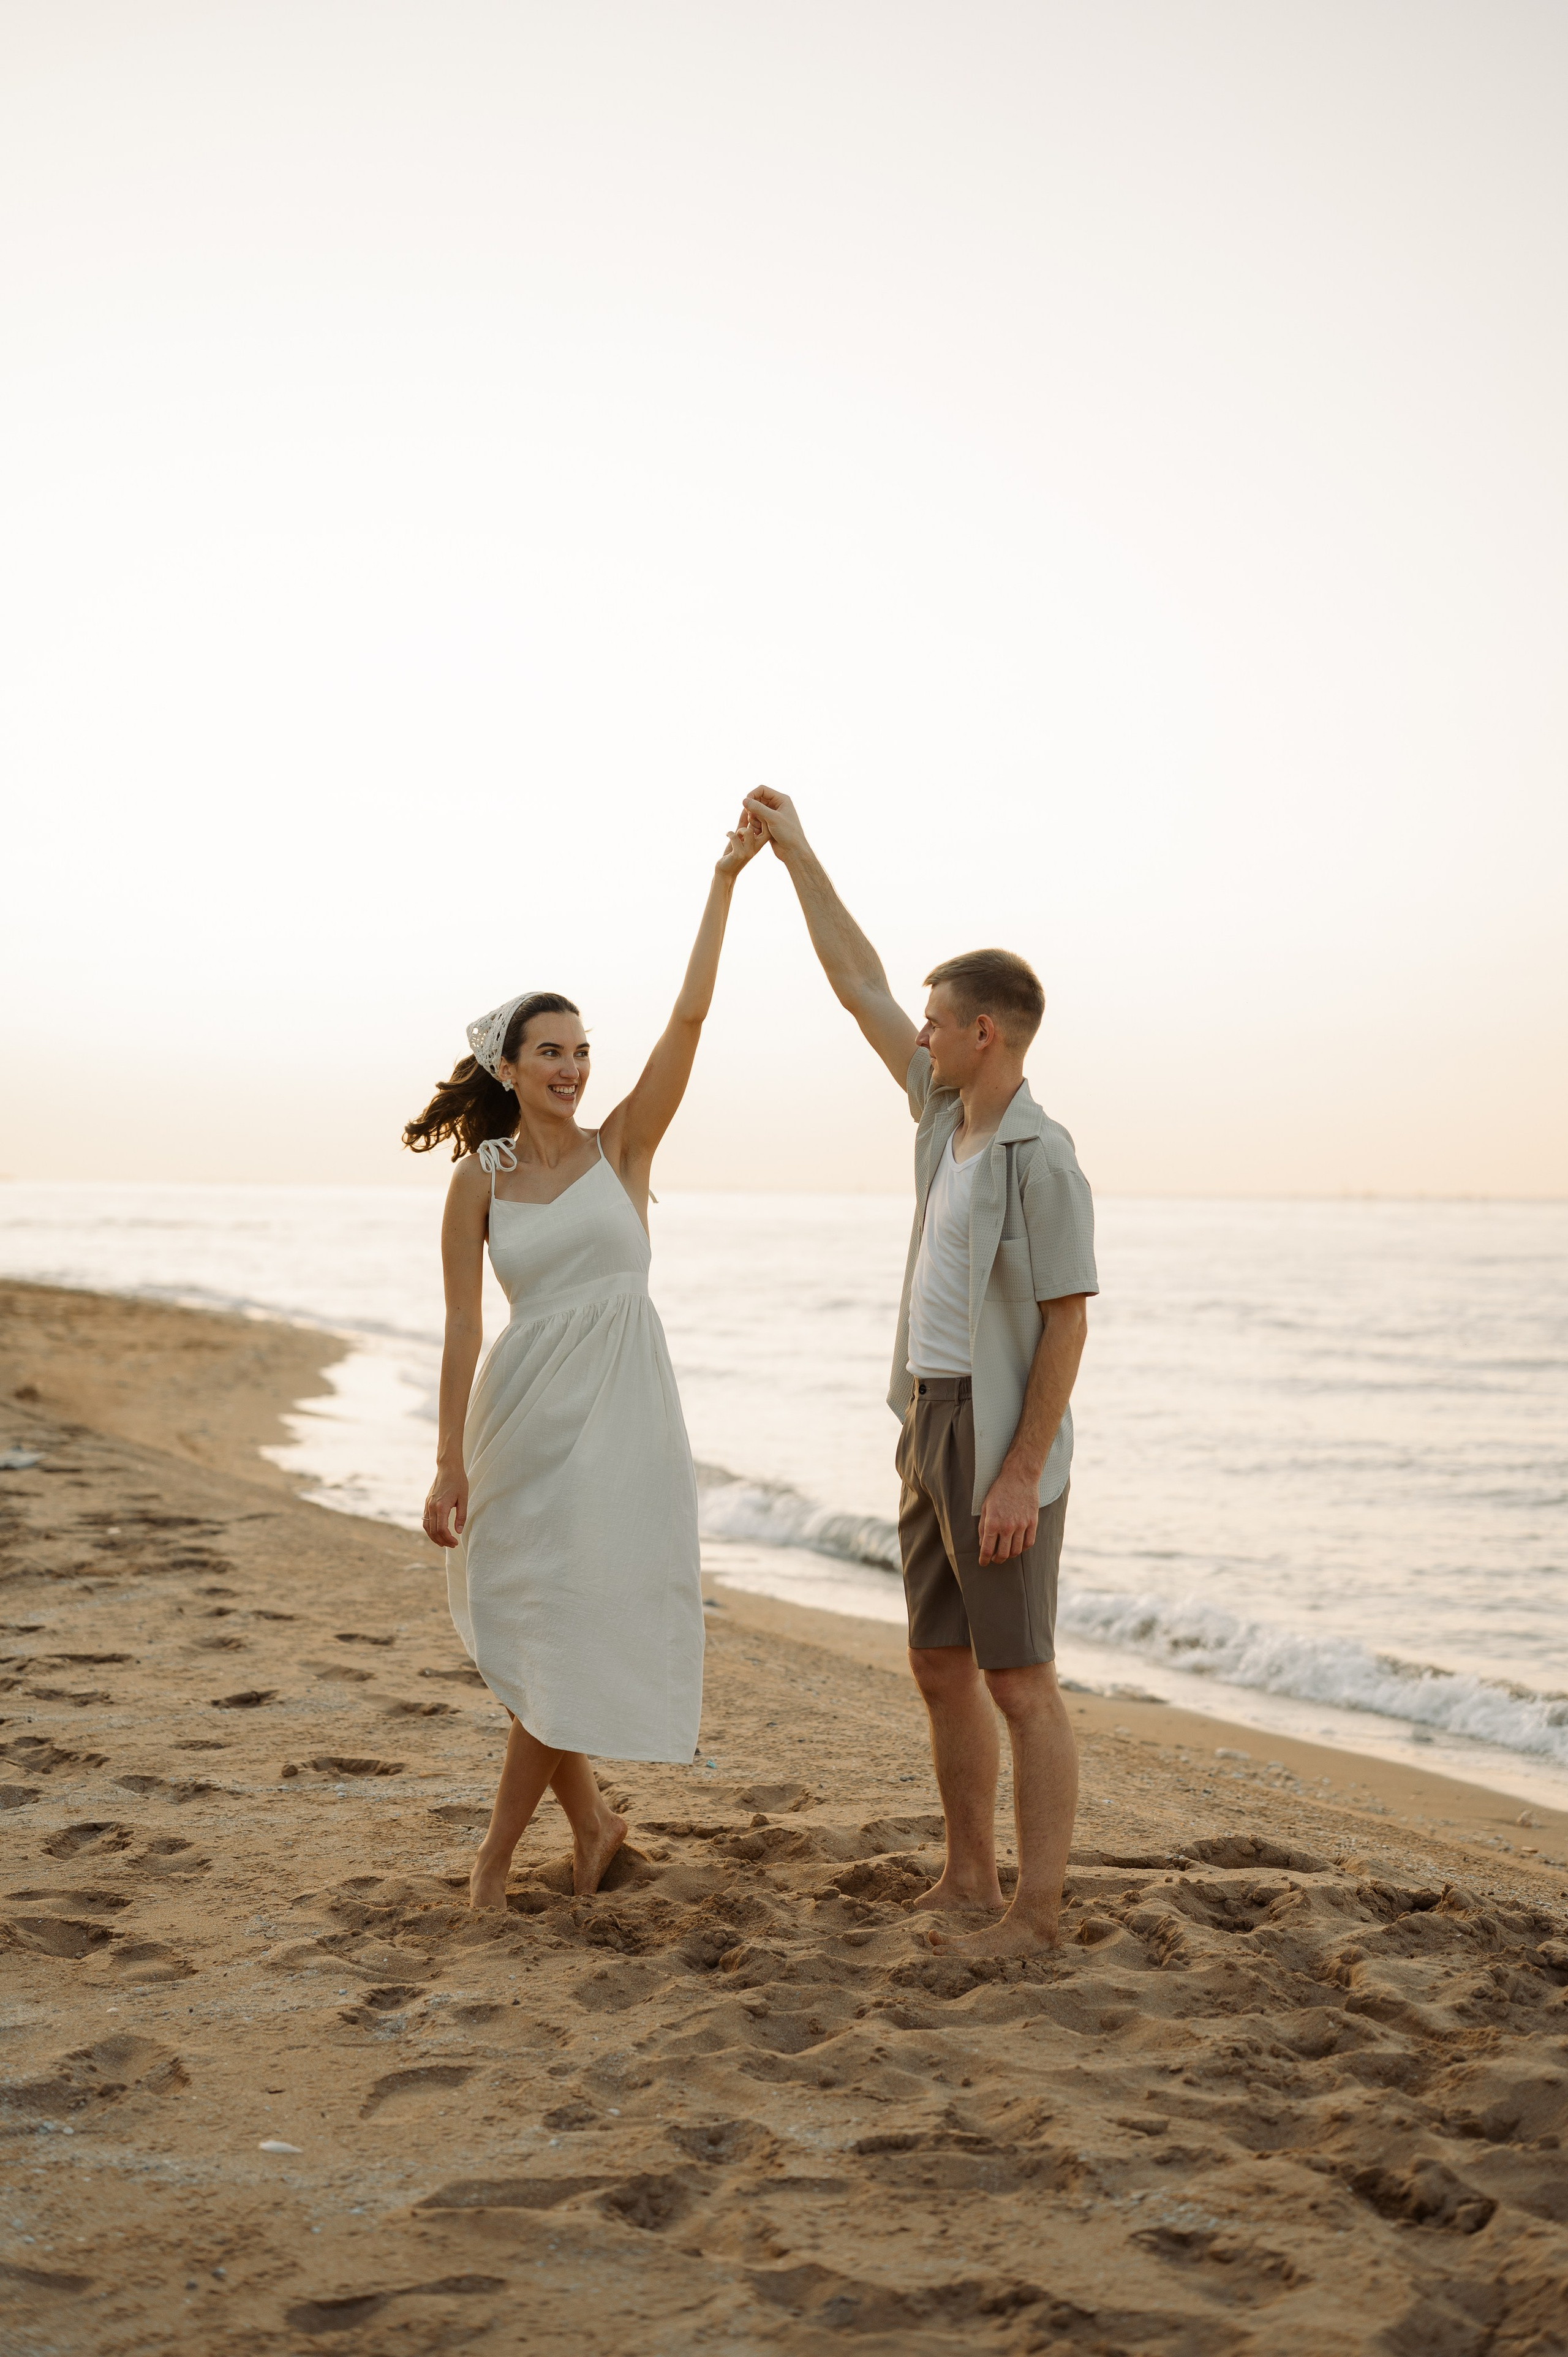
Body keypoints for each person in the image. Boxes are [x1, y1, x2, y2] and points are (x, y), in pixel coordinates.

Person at [744, 786, 1097, 1956]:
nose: (923, 1034)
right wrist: (796, 853)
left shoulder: (1042, 1159)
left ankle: (1036, 1915)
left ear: (985, 1031)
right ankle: (965, 1879)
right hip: (928, 1418)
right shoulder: (939, 1113)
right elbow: (860, 983)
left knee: (1021, 1679)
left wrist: (1020, 1471)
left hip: (999, 1438)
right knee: (940, 1662)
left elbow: (1066, 1325)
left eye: (941, 1022)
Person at [402, 810, 768, 1911]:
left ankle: (498, 1863)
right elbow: (465, 1328)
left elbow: (692, 1018)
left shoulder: (625, 1149)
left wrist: (725, 882)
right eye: (549, 1052)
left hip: (623, 1422)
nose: (570, 1067)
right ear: (507, 1067)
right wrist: (446, 1462)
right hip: (521, 1419)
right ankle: (592, 1827)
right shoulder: (480, 1178)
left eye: (579, 1050)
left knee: (567, 1624)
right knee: (537, 1627)